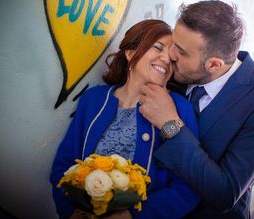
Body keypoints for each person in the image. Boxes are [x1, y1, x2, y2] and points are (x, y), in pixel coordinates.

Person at [138, 0, 254, 218]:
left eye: (180, 51)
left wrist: (170, 124)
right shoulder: (175, 70)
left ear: (214, 65)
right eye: (173, 42)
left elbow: (225, 193)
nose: (170, 54)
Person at [49, 19, 200, 219]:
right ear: (130, 53)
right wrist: (71, 212)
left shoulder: (180, 108)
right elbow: (64, 164)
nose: (166, 59)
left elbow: (189, 187)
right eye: (158, 48)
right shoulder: (93, 100)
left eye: (172, 58)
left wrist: (133, 216)